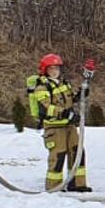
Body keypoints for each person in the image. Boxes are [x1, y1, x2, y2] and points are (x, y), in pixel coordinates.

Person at [25, 54, 91, 192]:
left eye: (57, 68)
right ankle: (54, 186)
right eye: (51, 68)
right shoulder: (42, 87)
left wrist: (80, 95)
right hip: (54, 128)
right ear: (45, 70)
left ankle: (77, 184)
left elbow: (70, 100)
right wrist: (66, 113)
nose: (55, 71)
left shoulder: (63, 83)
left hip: (69, 125)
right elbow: (46, 108)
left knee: (78, 152)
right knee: (58, 155)